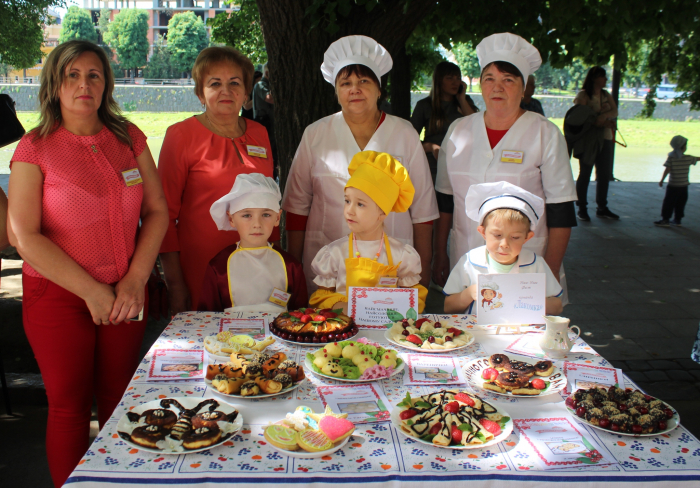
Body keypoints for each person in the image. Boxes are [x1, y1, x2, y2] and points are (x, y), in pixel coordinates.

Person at [7, 40, 168, 487]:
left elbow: (157, 210)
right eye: (72, 75)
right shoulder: (33, 148)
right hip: (57, 295)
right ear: (54, 84)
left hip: (123, 292)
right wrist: (91, 291)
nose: (83, 84)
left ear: (106, 84)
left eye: (93, 75)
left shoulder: (128, 137)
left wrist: (135, 279)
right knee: (69, 407)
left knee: (121, 402)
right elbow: (25, 235)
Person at [282, 35, 438, 293]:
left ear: (379, 89)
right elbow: (297, 207)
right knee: (328, 325)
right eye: (346, 83)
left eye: (364, 81)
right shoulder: (315, 134)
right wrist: (294, 267)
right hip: (327, 263)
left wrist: (425, 266)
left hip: (392, 262)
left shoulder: (404, 133)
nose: (355, 89)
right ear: (336, 91)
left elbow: (422, 210)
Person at [434, 32, 577, 305]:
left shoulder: (544, 133)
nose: (497, 87)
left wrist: (551, 270)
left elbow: (561, 210)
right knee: (466, 332)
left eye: (508, 80)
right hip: (467, 257)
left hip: (525, 263)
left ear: (523, 88)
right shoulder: (459, 131)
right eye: (489, 79)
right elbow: (445, 200)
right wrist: (440, 252)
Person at [158, 47, 275, 313]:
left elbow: (268, 200)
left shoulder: (259, 133)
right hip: (201, 270)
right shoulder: (180, 136)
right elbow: (163, 214)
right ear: (200, 93)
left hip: (257, 267)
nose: (226, 90)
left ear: (246, 93)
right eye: (215, 83)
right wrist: (175, 283)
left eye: (235, 83)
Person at [309, 151, 427, 313]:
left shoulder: (401, 255)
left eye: (360, 204)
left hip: (387, 335)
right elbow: (321, 297)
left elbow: (415, 298)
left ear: (382, 213)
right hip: (345, 333)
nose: (349, 211)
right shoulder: (335, 253)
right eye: (347, 201)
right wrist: (345, 307)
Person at [443, 182, 563, 315]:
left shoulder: (536, 264)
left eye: (515, 237)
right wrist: (469, 293)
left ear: (527, 237)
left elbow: (557, 307)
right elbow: (448, 307)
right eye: (497, 235)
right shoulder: (469, 262)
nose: (504, 244)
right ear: (482, 232)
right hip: (477, 333)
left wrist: (530, 299)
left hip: (523, 332)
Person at [198, 173, 307, 312]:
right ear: (231, 219)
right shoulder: (219, 267)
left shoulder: (291, 266)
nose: (257, 224)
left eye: (266, 215)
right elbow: (207, 317)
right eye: (247, 215)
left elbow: (301, 316)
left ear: (277, 218)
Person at [411, 61, 477, 180]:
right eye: (449, 78)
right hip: (433, 165)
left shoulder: (465, 101)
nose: (455, 82)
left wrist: (462, 99)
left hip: (461, 164)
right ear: (439, 80)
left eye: (458, 78)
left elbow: (477, 126)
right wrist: (431, 147)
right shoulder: (424, 105)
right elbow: (410, 140)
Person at [573, 66, 619, 221]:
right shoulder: (583, 95)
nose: (606, 79)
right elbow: (580, 114)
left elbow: (614, 111)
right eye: (603, 76)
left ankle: (602, 207)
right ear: (594, 78)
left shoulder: (606, 95)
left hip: (605, 138)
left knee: (604, 174)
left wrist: (604, 116)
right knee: (585, 173)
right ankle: (582, 207)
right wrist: (598, 118)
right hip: (588, 140)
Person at [654, 135, 698, 226]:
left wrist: (662, 180)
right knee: (681, 203)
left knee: (668, 203)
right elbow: (698, 158)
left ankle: (665, 219)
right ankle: (678, 220)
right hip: (683, 186)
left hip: (673, 185)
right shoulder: (688, 158)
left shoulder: (671, 158)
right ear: (683, 147)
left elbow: (667, 169)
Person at [253, 63, 277, 172]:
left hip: (270, 126)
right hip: (264, 125)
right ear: (267, 73)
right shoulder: (261, 85)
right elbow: (269, 98)